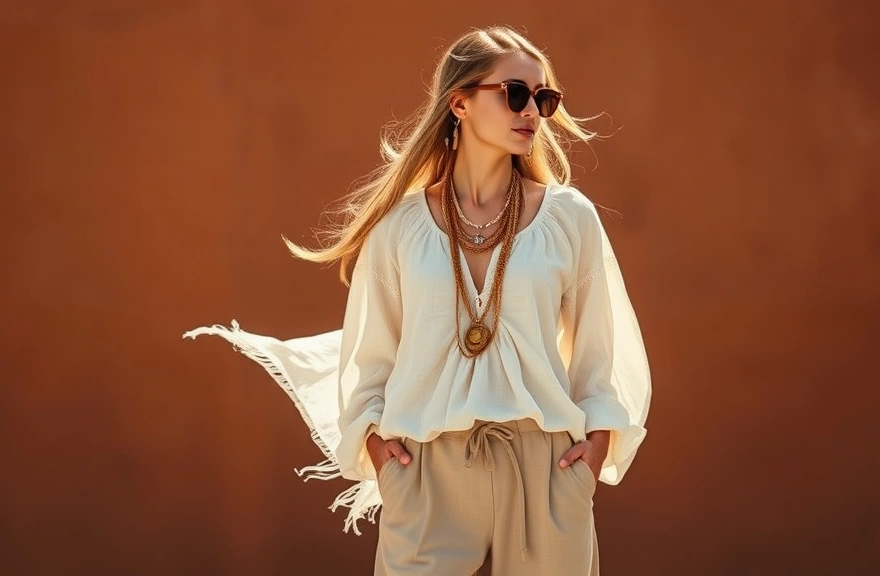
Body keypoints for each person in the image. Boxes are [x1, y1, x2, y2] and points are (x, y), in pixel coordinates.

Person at [185, 25, 651, 575]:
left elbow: (601, 348)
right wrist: (385, 459)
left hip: (544, 467)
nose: (533, 111)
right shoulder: (400, 229)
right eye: (516, 94)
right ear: (459, 102)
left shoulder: (570, 219)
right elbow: (372, 355)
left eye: (544, 99)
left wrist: (590, 456)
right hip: (427, 472)